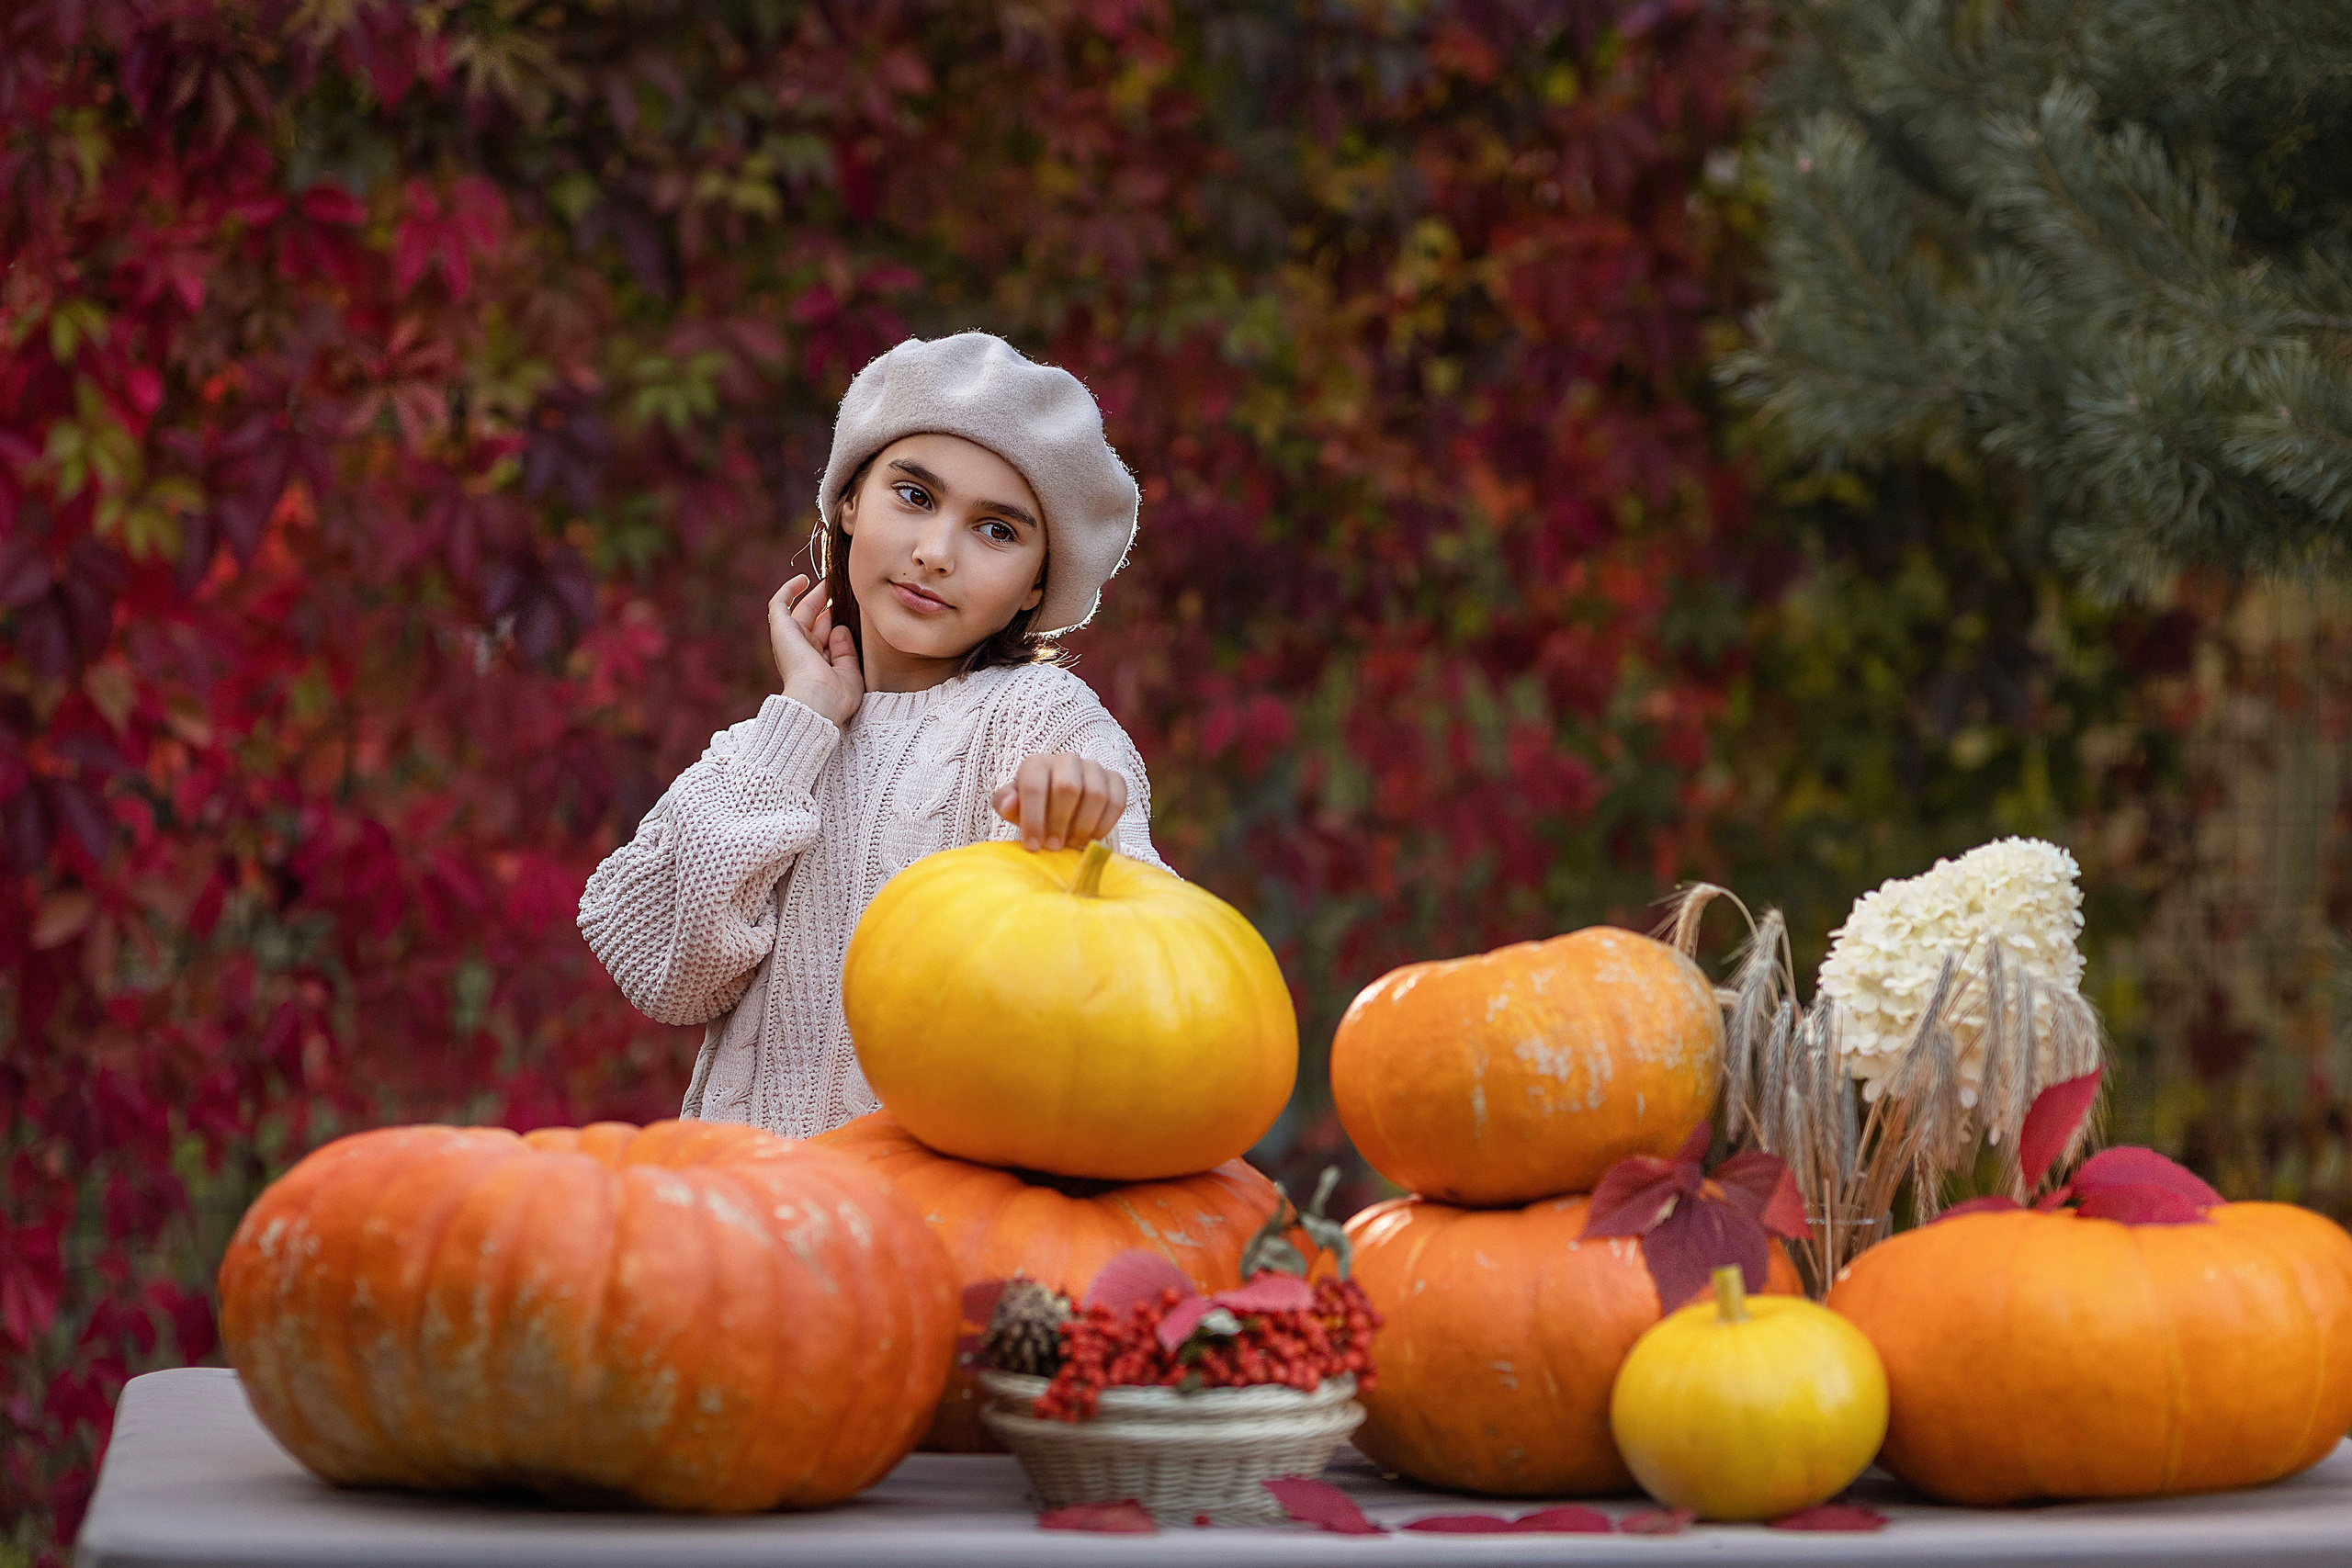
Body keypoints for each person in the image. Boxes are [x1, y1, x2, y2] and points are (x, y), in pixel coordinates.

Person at [577, 332, 1165, 1139]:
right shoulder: (771, 745)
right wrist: (804, 718)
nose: (934, 554)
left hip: (926, 1235)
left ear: (1038, 582)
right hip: (736, 1221)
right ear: (849, 499)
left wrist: (1084, 810)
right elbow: (665, 971)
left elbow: (1131, 952)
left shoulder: (1035, 716)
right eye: (915, 496)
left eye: (997, 531)